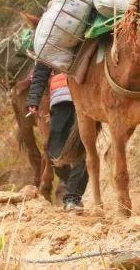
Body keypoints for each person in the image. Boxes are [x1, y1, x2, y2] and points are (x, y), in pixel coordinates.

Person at [26, 62, 87, 212]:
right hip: (59, 103)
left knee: (80, 150)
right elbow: (40, 73)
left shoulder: (80, 41)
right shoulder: (49, 48)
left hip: (83, 99)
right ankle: (72, 184)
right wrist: (33, 99)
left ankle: (73, 198)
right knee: (53, 152)